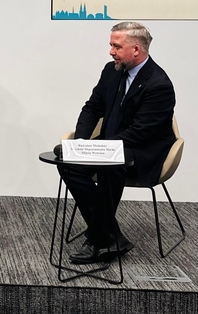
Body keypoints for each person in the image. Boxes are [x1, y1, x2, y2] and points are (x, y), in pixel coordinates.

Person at [61, 21, 176, 264]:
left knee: (111, 165)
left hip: (143, 150)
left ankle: (96, 239)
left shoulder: (159, 84)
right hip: (113, 143)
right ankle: (111, 235)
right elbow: (92, 108)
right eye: (111, 45)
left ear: (136, 49)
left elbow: (140, 133)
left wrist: (99, 149)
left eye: (116, 46)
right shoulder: (111, 70)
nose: (111, 51)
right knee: (67, 161)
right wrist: (81, 144)